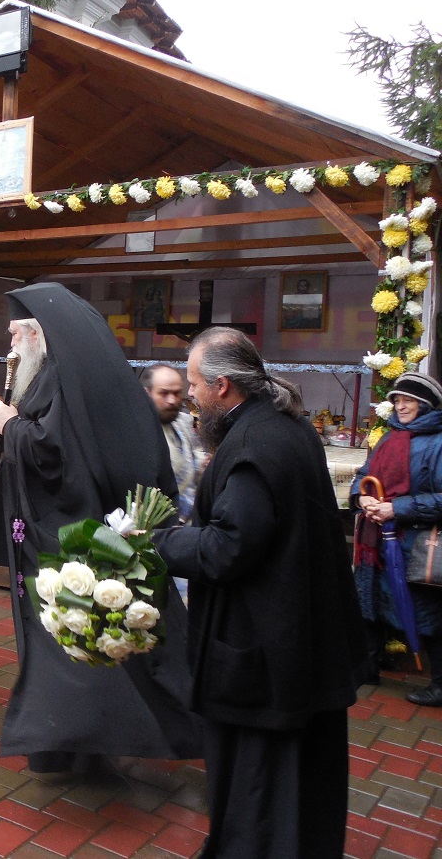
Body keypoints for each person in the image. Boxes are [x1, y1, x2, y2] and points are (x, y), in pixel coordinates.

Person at [152, 327, 366, 858]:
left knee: (259, 784)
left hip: (263, 650)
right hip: (298, 635)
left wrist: (161, 541)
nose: (191, 396)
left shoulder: (253, 446)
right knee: (297, 779)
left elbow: (228, 548)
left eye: (195, 384)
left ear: (223, 385)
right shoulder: (284, 425)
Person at [0, 283, 201, 773]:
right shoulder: (59, 374)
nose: (10, 343)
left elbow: (56, 455)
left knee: (71, 641)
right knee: (63, 643)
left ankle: (78, 739)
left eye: (14, 334)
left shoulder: (60, 378)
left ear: (37, 335)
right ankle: (62, 745)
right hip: (53, 533)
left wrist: (8, 424)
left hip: (64, 537)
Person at [351, 371, 442, 706]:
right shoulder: (389, 438)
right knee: (369, 601)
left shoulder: (439, 442)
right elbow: (364, 475)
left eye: (408, 401)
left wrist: (396, 508)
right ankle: (368, 666)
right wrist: (362, 498)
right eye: (397, 401)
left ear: (425, 404)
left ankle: (440, 684)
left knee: (426, 613)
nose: (401, 407)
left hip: (415, 545)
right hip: (376, 541)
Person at [141, 363, 203, 525]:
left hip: (191, 526)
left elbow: (197, 463)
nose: (172, 400)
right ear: (147, 394)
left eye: (177, 393)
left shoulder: (184, 422)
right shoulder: (137, 433)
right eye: (164, 393)